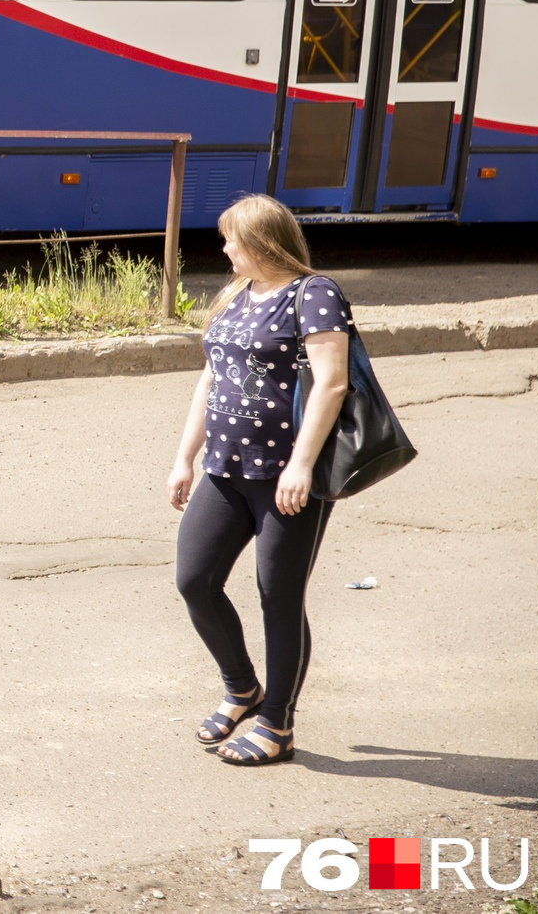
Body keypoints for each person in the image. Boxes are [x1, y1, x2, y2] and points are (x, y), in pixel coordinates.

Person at [167, 194, 354, 767]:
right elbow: (210, 379)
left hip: (286, 479)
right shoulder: (236, 296)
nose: (224, 248)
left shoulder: (314, 295)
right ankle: (242, 687)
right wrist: (184, 457)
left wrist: (300, 464)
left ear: (263, 243)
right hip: (225, 468)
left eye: (232, 239)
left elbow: (331, 384)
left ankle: (277, 722)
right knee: (194, 580)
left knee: (278, 597)